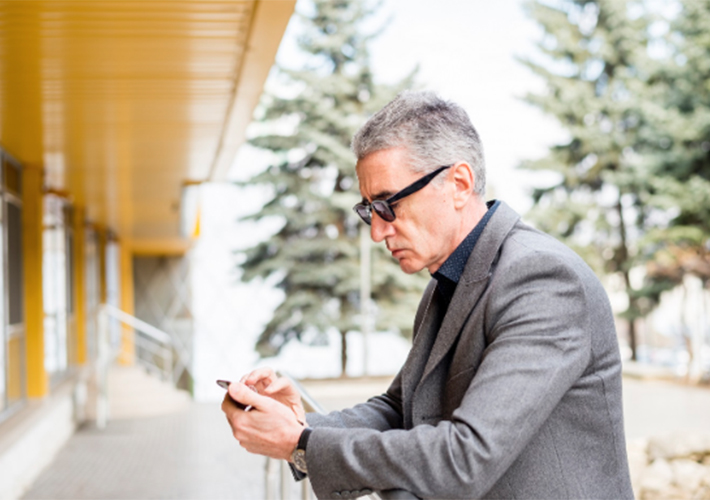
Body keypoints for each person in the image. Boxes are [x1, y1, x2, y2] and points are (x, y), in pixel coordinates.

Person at [221, 91, 634, 499]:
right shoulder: (448, 280)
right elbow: (400, 410)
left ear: (458, 183)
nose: (377, 232)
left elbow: (465, 456)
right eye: (368, 210)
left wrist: (302, 445)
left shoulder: (543, 279)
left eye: (388, 205)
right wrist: (303, 423)